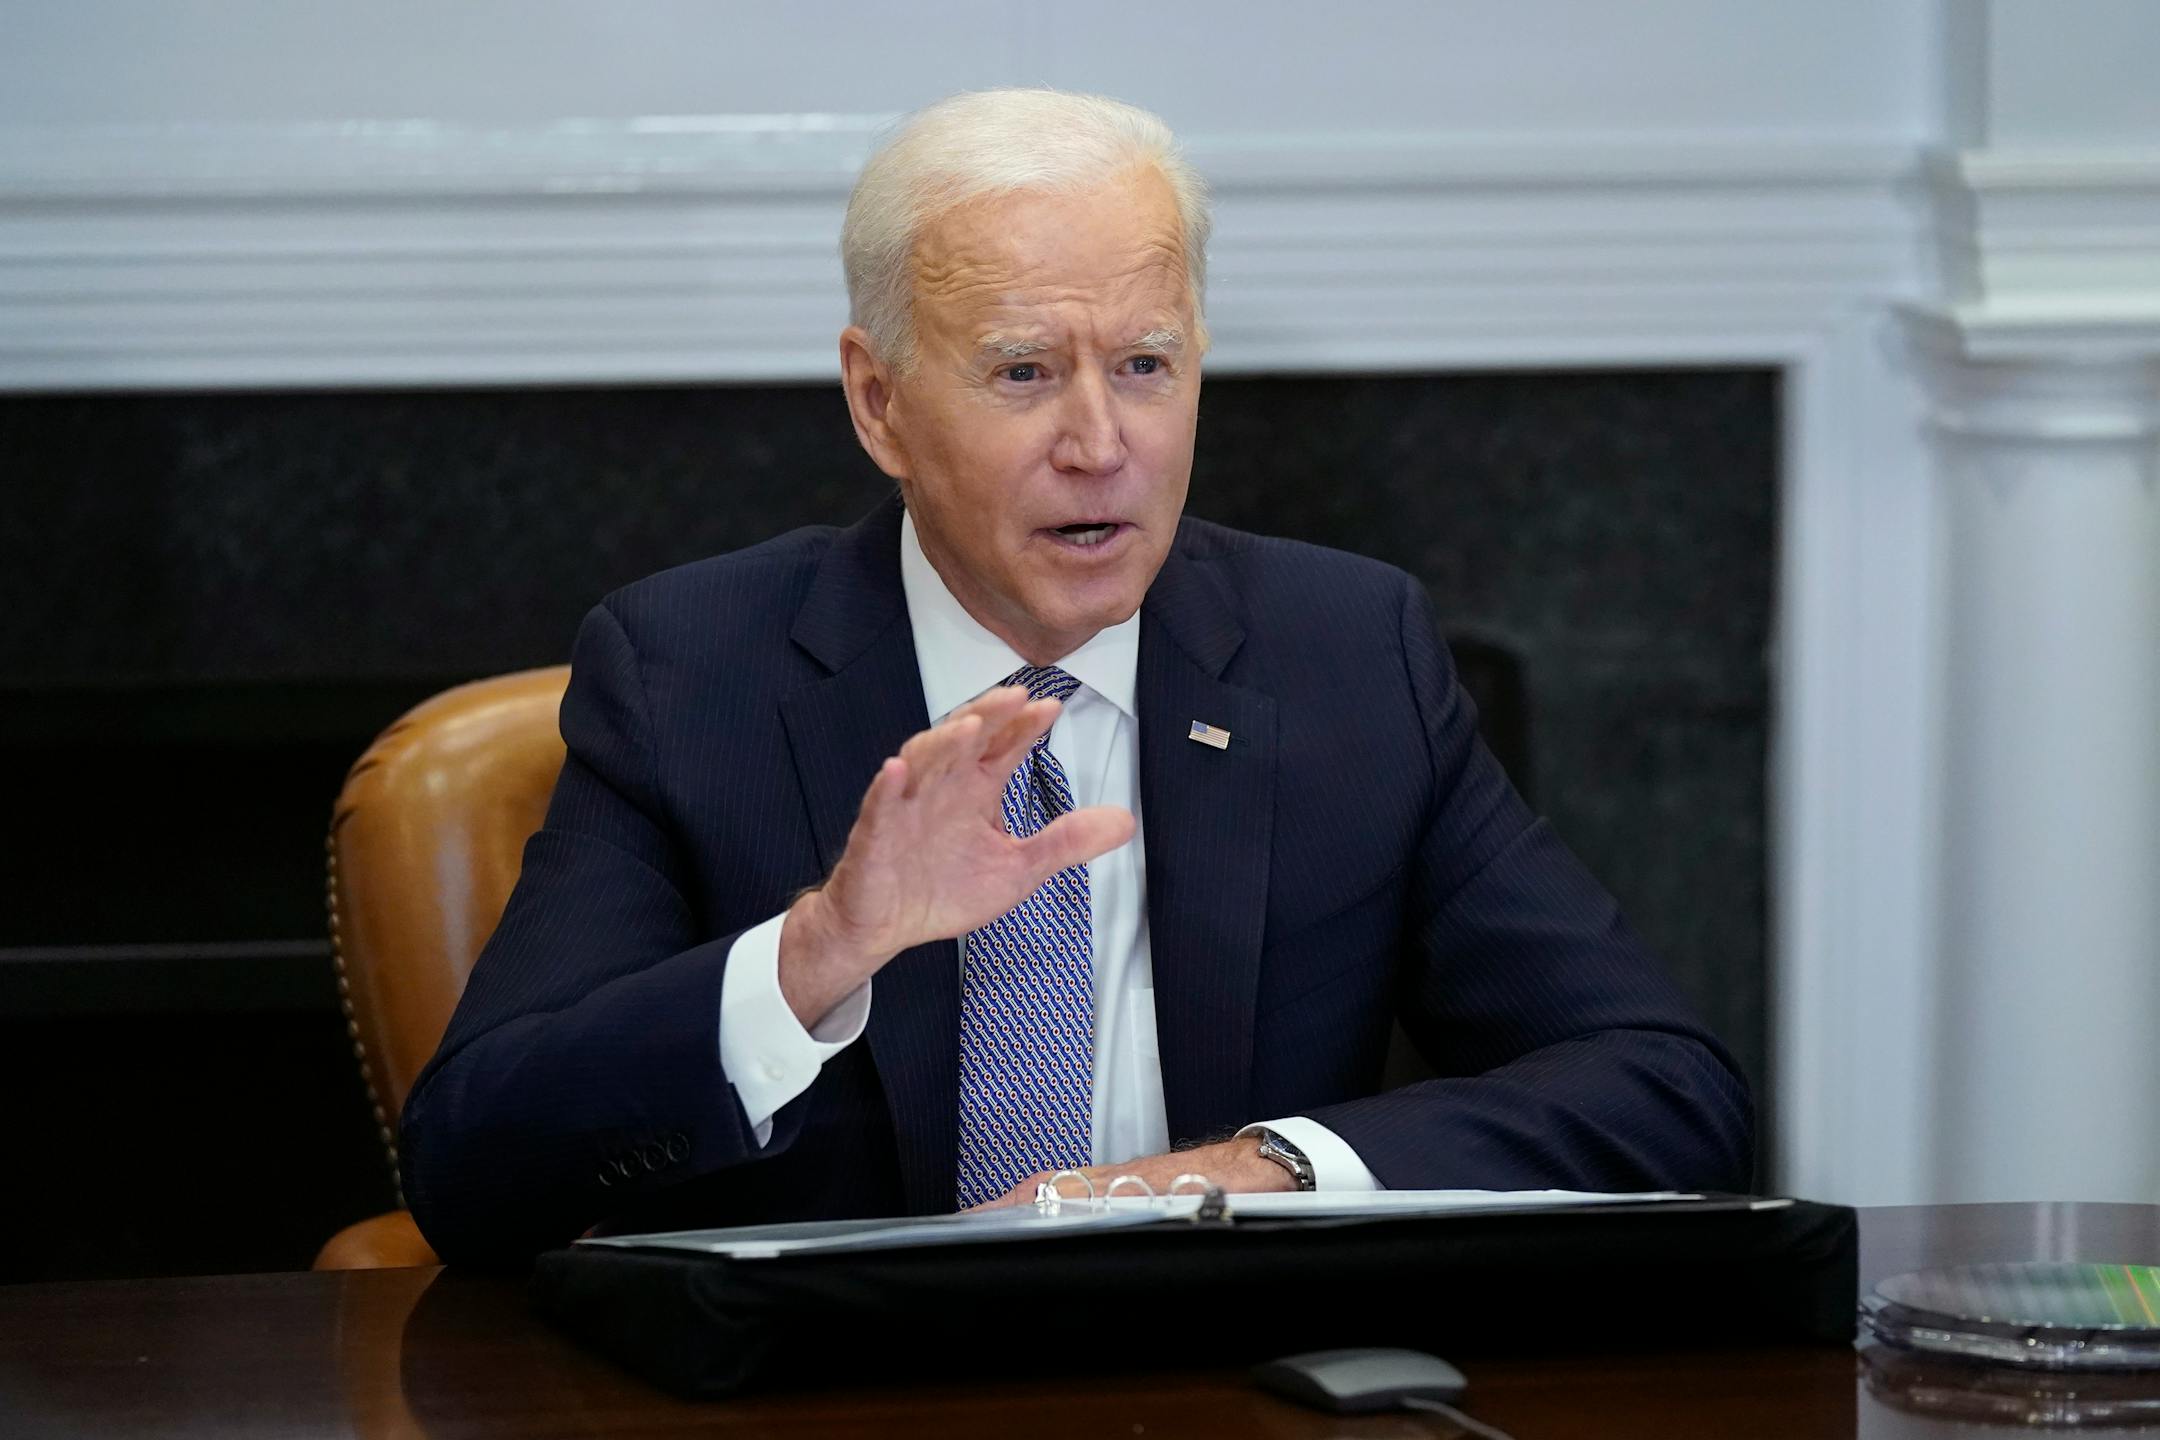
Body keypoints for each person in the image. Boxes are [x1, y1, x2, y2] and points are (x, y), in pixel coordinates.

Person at [401, 89, 1753, 1265]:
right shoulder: (691, 674)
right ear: (880, 403)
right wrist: (822, 952)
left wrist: (1249, 1179)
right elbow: (471, 1171)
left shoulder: (1347, 653)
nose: (1100, 443)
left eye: (1146, 366)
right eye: (1025, 371)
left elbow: (1666, 1089)